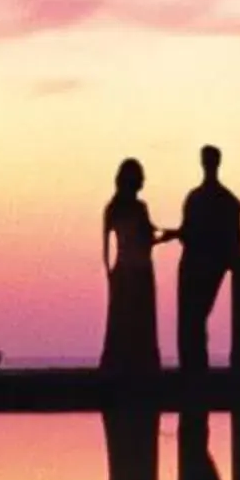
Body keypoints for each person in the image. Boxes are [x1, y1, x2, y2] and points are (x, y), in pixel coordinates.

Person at [175, 145, 240, 371]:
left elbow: (187, 234)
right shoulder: (225, 200)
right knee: (194, 318)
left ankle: (193, 367)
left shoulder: (200, 198)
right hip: (206, 263)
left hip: (202, 264)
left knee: (191, 319)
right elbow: (235, 241)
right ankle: (195, 367)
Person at [101, 158, 161, 373]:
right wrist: (173, 235)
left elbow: (106, 251)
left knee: (121, 323)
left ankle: (118, 366)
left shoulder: (112, 208)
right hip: (140, 270)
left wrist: (110, 274)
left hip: (122, 270)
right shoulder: (139, 208)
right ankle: (142, 367)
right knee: (140, 324)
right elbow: (148, 239)